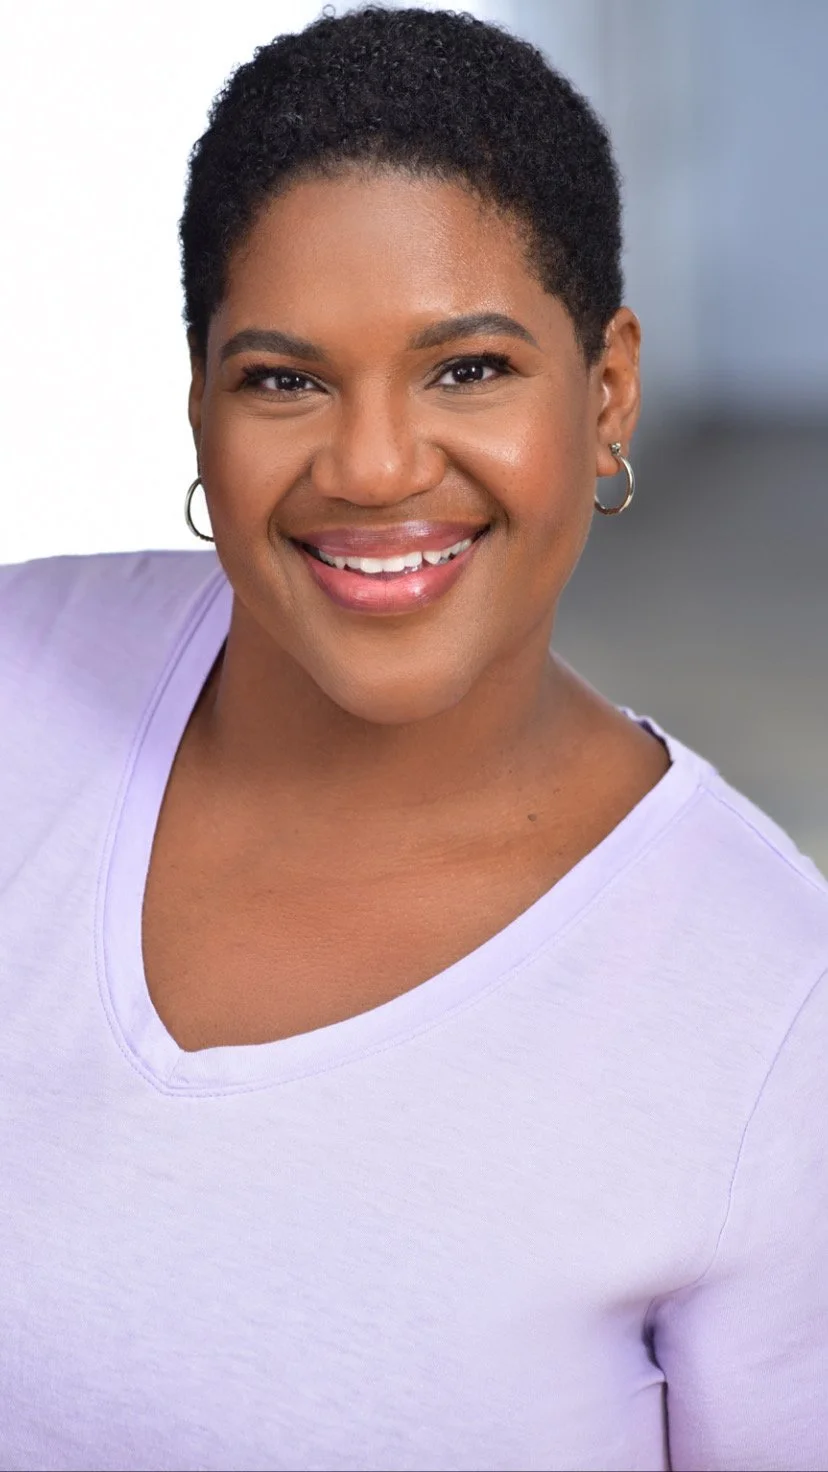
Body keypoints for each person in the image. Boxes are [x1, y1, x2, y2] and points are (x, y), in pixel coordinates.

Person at [0, 5, 826, 1469]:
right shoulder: (19, 684)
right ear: (201, 405)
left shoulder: (774, 1018)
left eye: (468, 369)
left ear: (607, 391)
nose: (375, 465)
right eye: (284, 378)